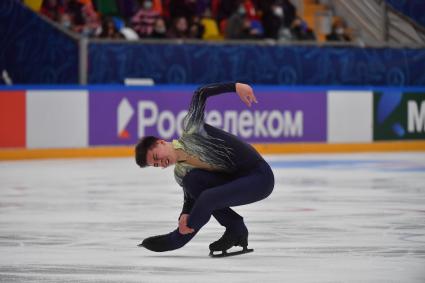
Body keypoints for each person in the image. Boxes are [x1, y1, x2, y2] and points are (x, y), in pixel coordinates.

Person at [135, 82, 275, 256]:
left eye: (156, 157)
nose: (160, 163)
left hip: (258, 176)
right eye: (156, 165)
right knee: (192, 182)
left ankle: (177, 239)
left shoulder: (192, 129)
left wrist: (235, 87)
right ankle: (235, 228)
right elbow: (190, 197)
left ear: (160, 142)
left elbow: (200, 93)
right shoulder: (180, 172)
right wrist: (184, 214)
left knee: (208, 197)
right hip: (235, 179)